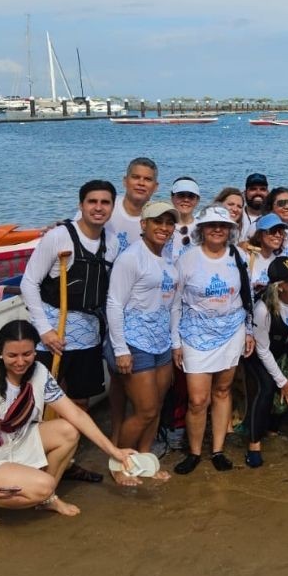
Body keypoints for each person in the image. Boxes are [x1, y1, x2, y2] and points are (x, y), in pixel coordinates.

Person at [0, 321, 144, 528]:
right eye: (12, 355)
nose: (21, 362)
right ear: (1, 353)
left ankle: (47, 499)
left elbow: (75, 414)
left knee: (68, 430)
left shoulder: (39, 371)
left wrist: (114, 451)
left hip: (16, 442)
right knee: (43, 486)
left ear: (35, 351)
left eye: (27, 354)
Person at [20, 179, 116, 459]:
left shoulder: (110, 242)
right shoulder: (59, 236)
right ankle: (34, 460)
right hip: (54, 332)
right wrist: (45, 331)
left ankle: (67, 460)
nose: (98, 208)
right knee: (40, 400)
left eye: (105, 202)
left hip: (88, 333)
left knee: (80, 401)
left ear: (111, 207)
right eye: (92, 202)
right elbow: (29, 284)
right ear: (81, 205)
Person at [170, 206, 254, 474]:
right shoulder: (187, 258)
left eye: (223, 225)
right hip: (194, 333)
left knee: (222, 391)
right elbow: (175, 303)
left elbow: (247, 297)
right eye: (211, 225)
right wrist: (176, 342)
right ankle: (194, 453)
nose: (217, 229)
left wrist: (249, 330)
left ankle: (217, 450)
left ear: (230, 230)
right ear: (202, 229)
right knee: (197, 399)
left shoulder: (238, 255)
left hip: (231, 331)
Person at [104, 201, 179, 472]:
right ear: (143, 224)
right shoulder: (131, 258)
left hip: (161, 342)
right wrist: (120, 349)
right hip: (134, 342)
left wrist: (174, 342)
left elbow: (173, 304)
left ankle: (145, 460)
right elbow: (114, 303)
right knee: (145, 410)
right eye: (157, 221)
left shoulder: (169, 257)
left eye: (169, 223)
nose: (164, 227)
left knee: (156, 408)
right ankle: (119, 464)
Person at [241, 256, 288, 467]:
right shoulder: (263, 309)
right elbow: (263, 350)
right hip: (259, 352)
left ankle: (273, 427)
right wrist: (281, 381)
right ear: (279, 286)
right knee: (267, 387)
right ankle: (254, 443)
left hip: (285, 348)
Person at [108, 156, 159, 256]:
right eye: (135, 177)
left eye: (147, 179)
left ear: (155, 187)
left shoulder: (159, 218)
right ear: (125, 181)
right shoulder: (105, 207)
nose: (141, 183)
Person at [166, 177, 201, 262]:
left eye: (191, 196)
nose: (186, 200)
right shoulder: (163, 227)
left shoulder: (203, 229)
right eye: (181, 195)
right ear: (172, 197)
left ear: (197, 200)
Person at [240, 172, 270, 238]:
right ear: (245, 193)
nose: (258, 192)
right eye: (253, 189)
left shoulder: (274, 217)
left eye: (262, 189)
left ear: (268, 193)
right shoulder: (237, 216)